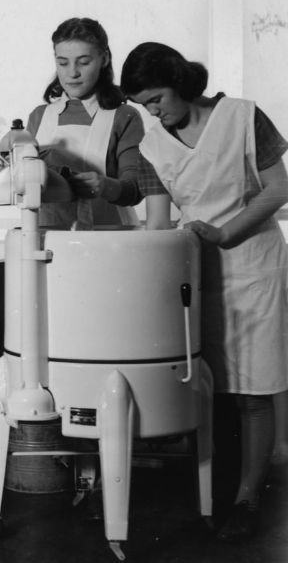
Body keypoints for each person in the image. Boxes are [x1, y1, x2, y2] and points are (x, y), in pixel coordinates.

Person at [121, 41, 288, 542]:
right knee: (209, 387)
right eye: (143, 105)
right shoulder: (153, 146)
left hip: (254, 266)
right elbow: (155, 222)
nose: (153, 112)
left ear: (181, 81)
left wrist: (227, 233)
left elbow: (280, 189)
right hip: (197, 275)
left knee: (253, 392)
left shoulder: (241, 116)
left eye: (157, 99)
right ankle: (211, 494)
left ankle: (247, 499)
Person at [27, 18, 146, 229]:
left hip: (110, 237)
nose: (72, 72)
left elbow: (136, 189)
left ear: (104, 58)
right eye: (63, 63)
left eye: (83, 62)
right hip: (49, 239)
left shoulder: (124, 116)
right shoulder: (39, 116)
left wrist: (106, 186)